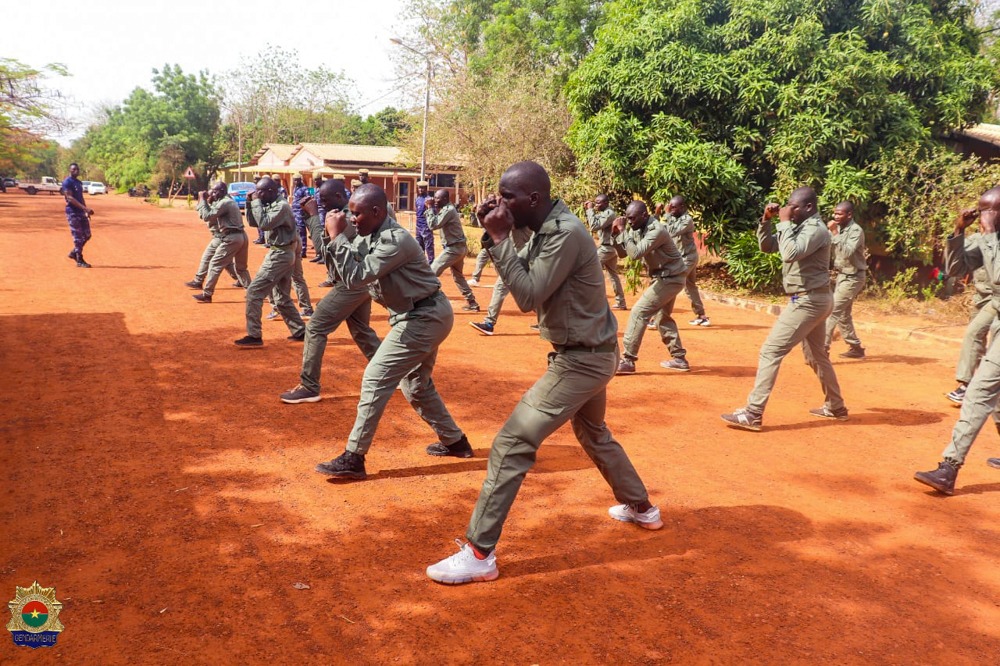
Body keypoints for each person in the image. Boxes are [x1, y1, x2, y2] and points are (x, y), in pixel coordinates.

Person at [426, 161, 663, 585]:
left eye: (508, 196)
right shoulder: (545, 228)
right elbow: (526, 269)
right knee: (593, 433)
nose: (500, 202)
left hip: (582, 360)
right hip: (590, 352)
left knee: (511, 443)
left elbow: (528, 295)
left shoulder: (566, 233)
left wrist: (499, 236)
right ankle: (642, 508)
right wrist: (503, 229)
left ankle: (479, 553)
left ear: (534, 199)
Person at [314, 184, 472, 479]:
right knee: (416, 386)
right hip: (415, 315)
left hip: (425, 316)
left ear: (377, 212)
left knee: (375, 377)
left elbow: (358, 276)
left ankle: (354, 457)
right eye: (349, 214)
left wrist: (338, 236)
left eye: (356, 214)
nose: (352, 220)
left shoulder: (394, 240)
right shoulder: (368, 234)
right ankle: (456, 441)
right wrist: (330, 235)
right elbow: (341, 276)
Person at [721, 187, 847, 431]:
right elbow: (768, 247)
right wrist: (766, 222)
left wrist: (784, 221)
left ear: (809, 207)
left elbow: (790, 253)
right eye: (788, 205)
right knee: (816, 356)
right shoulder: (799, 227)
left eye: (794, 206)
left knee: (770, 351)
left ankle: (753, 413)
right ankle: (836, 406)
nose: (788, 209)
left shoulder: (816, 230)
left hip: (809, 301)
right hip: (812, 299)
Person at [915, 188, 1000, 494]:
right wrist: (958, 232)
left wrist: (989, 234)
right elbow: (956, 269)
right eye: (981, 210)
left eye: (990, 211)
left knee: (980, 393)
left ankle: (949, 468)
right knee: (995, 395)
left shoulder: (992, 237)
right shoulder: (989, 238)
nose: (984, 217)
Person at [279, 180, 382, 404]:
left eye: (325, 199)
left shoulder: (347, 218)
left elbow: (322, 250)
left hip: (353, 283)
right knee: (362, 332)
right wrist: (314, 217)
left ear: (338, 195)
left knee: (315, 327)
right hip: (358, 281)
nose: (321, 203)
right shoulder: (341, 213)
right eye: (320, 200)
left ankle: (309, 386)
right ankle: (399, 374)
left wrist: (314, 215)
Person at [612, 201, 692, 374]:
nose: (629, 222)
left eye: (632, 218)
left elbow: (635, 254)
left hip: (672, 278)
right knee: (662, 318)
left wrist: (624, 231)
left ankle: (628, 360)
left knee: (639, 312)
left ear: (644, 216)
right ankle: (680, 358)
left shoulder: (657, 230)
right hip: (664, 277)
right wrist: (615, 235)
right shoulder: (636, 229)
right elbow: (623, 253)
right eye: (627, 218)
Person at [236, 177, 307, 347]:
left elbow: (264, 223)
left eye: (260, 192)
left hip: (281, 255)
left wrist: (256, 202)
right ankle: (300, 331)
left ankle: (254, 335)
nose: (257, 194)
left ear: (270, 191)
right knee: (281, 297)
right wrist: (249, 203)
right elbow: (255, 223)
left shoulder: (281, 206)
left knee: (254, 292)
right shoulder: (270, 204)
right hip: (280, 253)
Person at [191, 182, 251, 303]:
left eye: (215, 191)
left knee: (214, 264)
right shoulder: (225, 201)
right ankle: (252, 293)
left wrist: (203, 199)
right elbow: (206, 214)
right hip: (241, 236)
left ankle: (207, 294)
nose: (213, 193)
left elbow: (207, 216)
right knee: (241, 268)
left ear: (222, 190)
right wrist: (207, 200)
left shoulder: (225, 203)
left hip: (231, 237)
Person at [468, 225, 533, 335]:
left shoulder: (518, 219)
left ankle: (489, 323)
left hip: (520, 261)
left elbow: (502, 224)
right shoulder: (523, 214)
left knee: (500, 287)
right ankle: (549, 322)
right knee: (530, 294)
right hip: (524, 259)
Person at [426, 189, 481, 312]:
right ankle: (472, 302)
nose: (434, 201)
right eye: (434, 198)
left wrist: (429, 208)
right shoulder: (446, 209)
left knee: (431, 273)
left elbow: (433, 225)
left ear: (445, 199)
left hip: (454, 249)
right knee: (458, 276)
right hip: (458, 248)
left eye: (437, 198)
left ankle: (430, 301)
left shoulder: (448, 210)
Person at [825, 201, 867, 358]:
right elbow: (827, 244)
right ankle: (856, 348)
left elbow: (847, 251)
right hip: (843, 275)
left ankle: (822, 350)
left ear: (849, 215)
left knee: (832, 310)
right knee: (843, 315)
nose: (835, 216)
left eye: (839, 214)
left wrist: (834, 232)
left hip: (854, 276)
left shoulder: (856, 231)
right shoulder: (838, 229)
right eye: (835, 213)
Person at [660, 197, 709, 327]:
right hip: (683, 257)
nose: (671, 209)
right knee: (690, 286)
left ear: (682, 207)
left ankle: (661, 318)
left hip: (687, 258)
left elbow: (671, 232)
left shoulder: (687, 220)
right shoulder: (675, 218)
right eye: (670, 206)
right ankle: (701, 316)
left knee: (673, 283)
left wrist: (666, 213)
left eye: (673, 207)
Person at [585, 194, 627, 310]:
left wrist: (589, 210)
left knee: (589, 268)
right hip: (609, 247)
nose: (596, 205)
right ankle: (621, 302)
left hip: (607, 248)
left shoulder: (609, 214)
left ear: (606, 203)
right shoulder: (605, 213)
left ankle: (593, 302)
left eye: (598, 203)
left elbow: (594, 226)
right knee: (613, 275)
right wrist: (590, 211)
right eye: (595, 202)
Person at [61, 163, 94, 268]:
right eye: (74, 169)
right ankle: (79, 259)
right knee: (78, 237)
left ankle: (74, 252)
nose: (76, 171)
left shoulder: (79, 183)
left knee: (87, 235)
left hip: (81, 212)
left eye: (77, 169)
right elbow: (69, 198)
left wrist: (86, 210)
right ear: (70, 170)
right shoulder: (67, 182)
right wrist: (84, 208)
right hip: (72, 212)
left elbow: (80, 197)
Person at [414, 180, 435, 263]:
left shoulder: (429, 200)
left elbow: (433, 212)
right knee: (419, 247)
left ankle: (432, 266)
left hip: (426, 227)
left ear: (426, 189)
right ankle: (421, 265)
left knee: (429, 247)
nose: (420, 190)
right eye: (419, 188)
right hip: (418, 227)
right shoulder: (417, 199)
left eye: (422, 188)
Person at [291, 174, 311, 258]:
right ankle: (297, 248)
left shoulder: (304, 189)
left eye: (297, 180)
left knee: (302, 231)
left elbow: (308, 198)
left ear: (300, 180)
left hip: (300, 212)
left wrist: (302, 205)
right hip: (294, 212)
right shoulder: (295, 188)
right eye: (294, 180)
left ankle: (303, 250)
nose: (295, 182)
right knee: (295, 231)